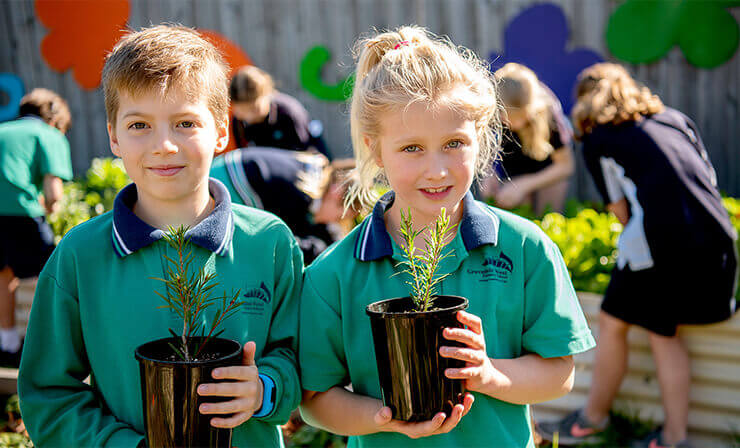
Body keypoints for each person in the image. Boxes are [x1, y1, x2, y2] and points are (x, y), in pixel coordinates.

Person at [298, 26, 595, 447]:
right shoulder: (334, 272)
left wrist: (488, 373)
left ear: (482, 137)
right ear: (375, 149)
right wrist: (385, 418)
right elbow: (317, 398)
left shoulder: (526, 248)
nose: (436, 170)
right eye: (412, 148)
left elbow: (559, 372)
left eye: (454, 143)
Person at [18, 25, 302, 448]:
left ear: (222, 129)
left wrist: (265, 388)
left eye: (186, 122)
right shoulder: (80, 257)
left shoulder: (270, 242)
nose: (164, 145)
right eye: (139, 125)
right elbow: (48, 395)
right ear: (113, 135)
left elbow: (302, 356)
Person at [538, 63, 738, 448]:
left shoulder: (599, 137)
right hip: (717, 239)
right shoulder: (674, 119)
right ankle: (663, 434)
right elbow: (704, 181)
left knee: (620, 323)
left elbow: (620, 211)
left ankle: (602, 422)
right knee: (656, 329)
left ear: (586, 102)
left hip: (663, 245)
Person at [0, 88, 72, 366]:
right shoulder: (48, 134)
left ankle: (8, 344)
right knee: (55, 273)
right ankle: (51, 348)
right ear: (55, 120)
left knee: (4, 275)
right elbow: (53, 193)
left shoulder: (4, 129)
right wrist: (50, 208)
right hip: (20, 213)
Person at [210, 147, 359, 263]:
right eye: (339, 217)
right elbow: (282, 244)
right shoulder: (300, 196)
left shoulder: (311, 172)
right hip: (217, 191)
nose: (333, 222)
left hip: (219, 171)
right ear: (336, 193)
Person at [481, 63, 574, 215]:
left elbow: (566, 166)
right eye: (504, 117)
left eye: (518, 118)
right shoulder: (491, 111)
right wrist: (488, 172)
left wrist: (525, 185)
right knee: (511, 215)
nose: (510, 124)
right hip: (512, 173)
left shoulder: (549, 114)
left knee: (548, 213)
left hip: (546, 174)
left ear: (531, 108)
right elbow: (484, 150)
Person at [230, 65, 330, 158]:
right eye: (242, 111)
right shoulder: (239, 123)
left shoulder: (289, 113)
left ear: (267, 94)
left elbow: (307, 154)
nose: (249, 117)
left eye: (254, 109)